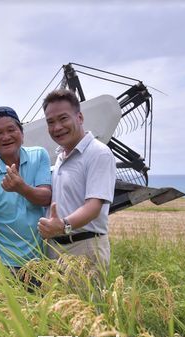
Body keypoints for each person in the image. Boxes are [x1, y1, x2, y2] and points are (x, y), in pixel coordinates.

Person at [37, 89, 116, 272]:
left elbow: (93, 206)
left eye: (63, 118)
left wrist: (63, 225)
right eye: (51, 122)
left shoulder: (98, 153)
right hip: (56, 248)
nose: (57, 127)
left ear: (79, 117)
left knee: (84, 301)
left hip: (84, 248)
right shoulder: (61, 157)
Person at [0, 106, 52, 274]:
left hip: (39, 260)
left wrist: (20, 188)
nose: (6, 137)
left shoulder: (39, 156)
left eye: (11, 130)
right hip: (3, 264)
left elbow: (45, 197)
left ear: (22, 134)